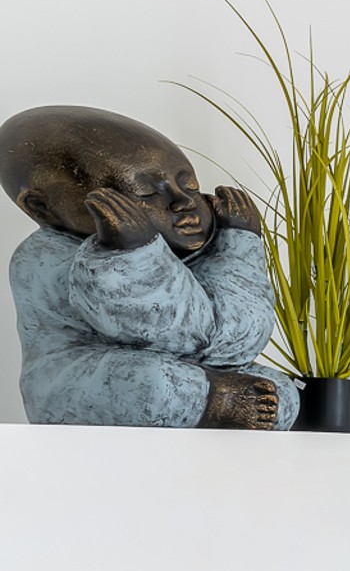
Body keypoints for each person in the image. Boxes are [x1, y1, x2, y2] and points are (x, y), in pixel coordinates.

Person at [1, 105, 295, 429]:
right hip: (83, 384)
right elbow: (171, 333)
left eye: (191, 186)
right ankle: (213, 401)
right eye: (144, 193)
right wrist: (132, 254)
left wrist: (238, 245)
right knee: (150, 384)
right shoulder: (43, 259)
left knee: (281, 391)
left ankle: (212, 399)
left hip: (195, 372)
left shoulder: (182, 249)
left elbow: (239, 341)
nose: (183, 203)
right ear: (42, 207)